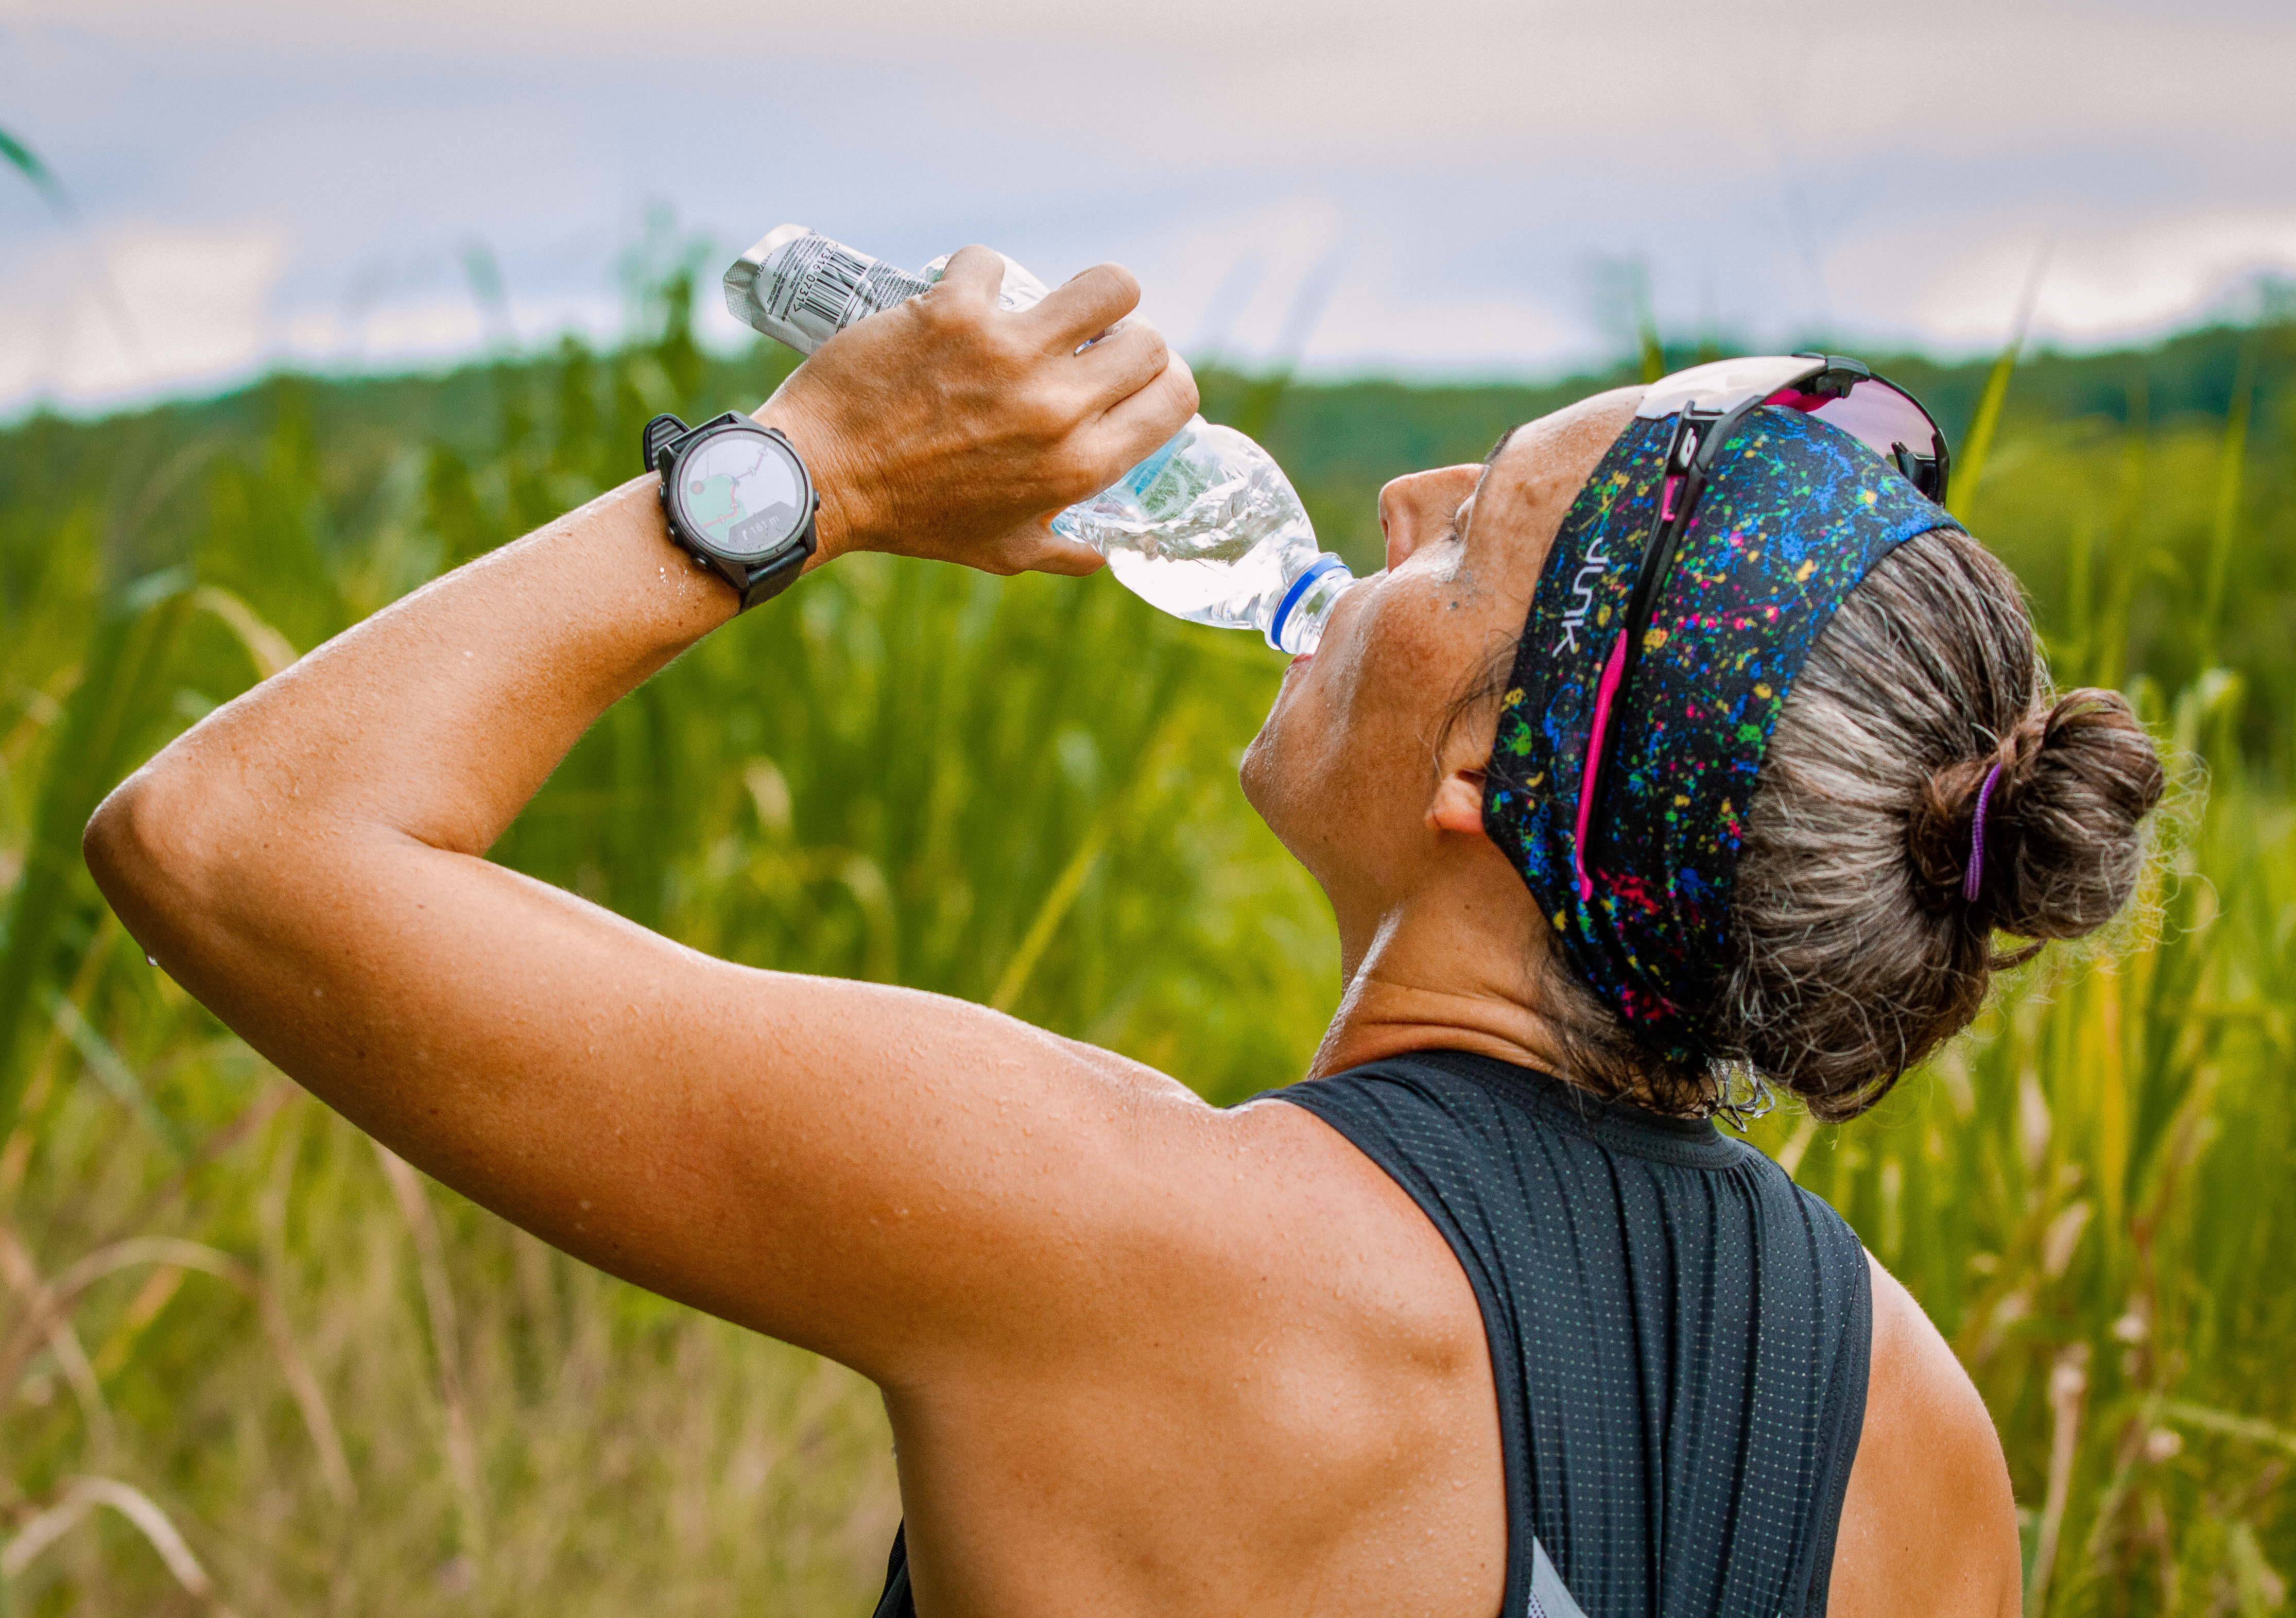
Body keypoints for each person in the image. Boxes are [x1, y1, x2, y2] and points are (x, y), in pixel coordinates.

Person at [85, 248, 2163, 1616]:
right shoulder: (1912, 1425)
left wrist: (810, 468)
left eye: (1463, 531)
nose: (1389, 509)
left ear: (1475, 768)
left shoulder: (1116, 1233)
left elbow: (228, 840)